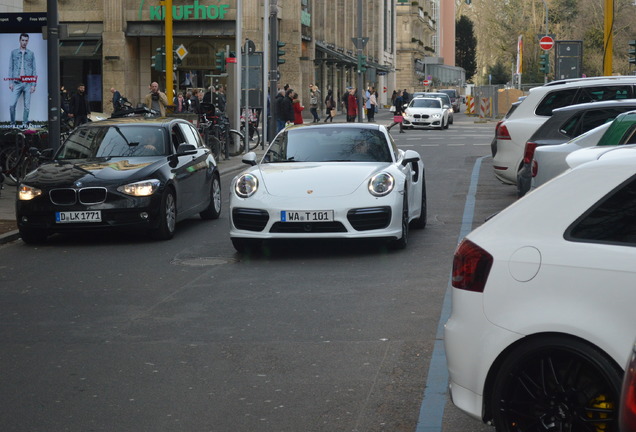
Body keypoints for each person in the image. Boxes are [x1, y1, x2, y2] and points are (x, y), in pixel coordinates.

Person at [8, 33, 37, 128]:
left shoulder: (31, 53)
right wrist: (10, 82)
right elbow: (10, 68)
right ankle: (12, 124)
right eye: (23, 40)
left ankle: (24, 124)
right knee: (12, 105)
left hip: (28, 83)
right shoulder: (14, 52)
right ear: (19, 40)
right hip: (16, 82)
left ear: (28, 41)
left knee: (27, 106)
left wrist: (33, 84)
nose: (24, 42)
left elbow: (34, 69)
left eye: (26, 40)